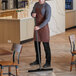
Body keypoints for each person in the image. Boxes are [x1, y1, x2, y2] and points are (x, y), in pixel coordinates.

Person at [30, 0, 51, 68]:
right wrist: (32, 14)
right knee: (36, 45)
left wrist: (39, 26)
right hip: (37, 28)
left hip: (44, 28)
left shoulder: (47, 6)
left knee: (46, 46)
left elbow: (47, 19)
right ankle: (38, 60)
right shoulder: (36, 4)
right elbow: (32, 12)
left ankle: (48, 62)